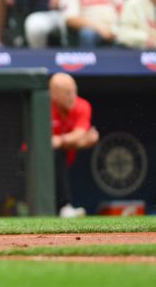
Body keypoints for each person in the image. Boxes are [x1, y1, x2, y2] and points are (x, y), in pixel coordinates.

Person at [49, 72, 99, 218]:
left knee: (60, 153)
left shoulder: (82, 105)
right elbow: (47, 143)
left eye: (74, 91)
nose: (72, 96)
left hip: (64, 157)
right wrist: (78, 141)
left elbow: (80, 134)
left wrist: (62, 140)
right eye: (67, 93)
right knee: (56, 154)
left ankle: (64, 208)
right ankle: (64, 207)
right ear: (54, 95)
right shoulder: (43, 104)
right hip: (32, 159)